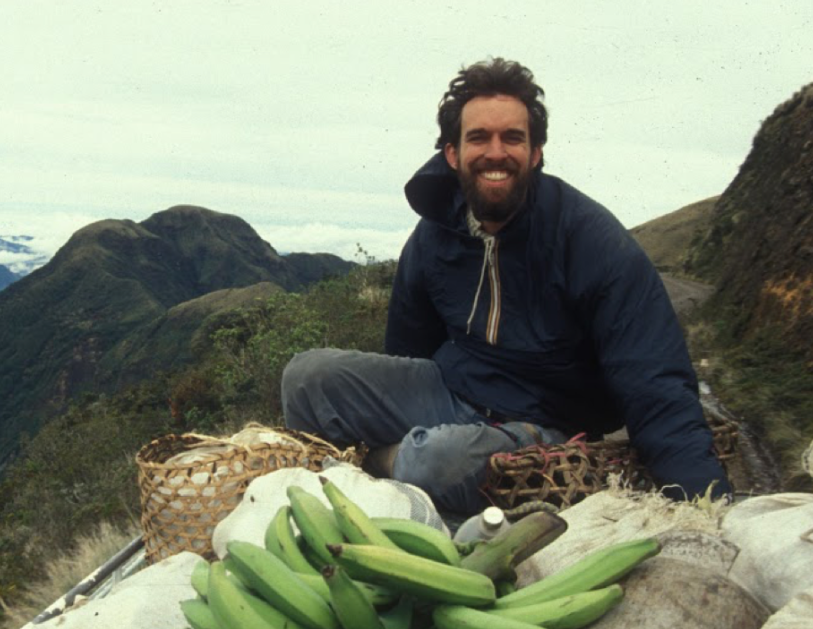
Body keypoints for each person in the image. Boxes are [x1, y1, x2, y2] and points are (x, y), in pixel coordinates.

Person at [281, 57, 732, 515]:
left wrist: (704, 506)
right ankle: (357, 490)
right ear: (452, 154)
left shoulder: (590, 239)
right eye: (478, 137)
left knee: (435, 460)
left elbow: (656, 384)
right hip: (450, 391)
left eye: (512, 138)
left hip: (544, 422)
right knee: (306, 378)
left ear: (535, 153)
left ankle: (380, 474)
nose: (495, 152)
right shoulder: (435, 233)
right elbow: (407, 349)